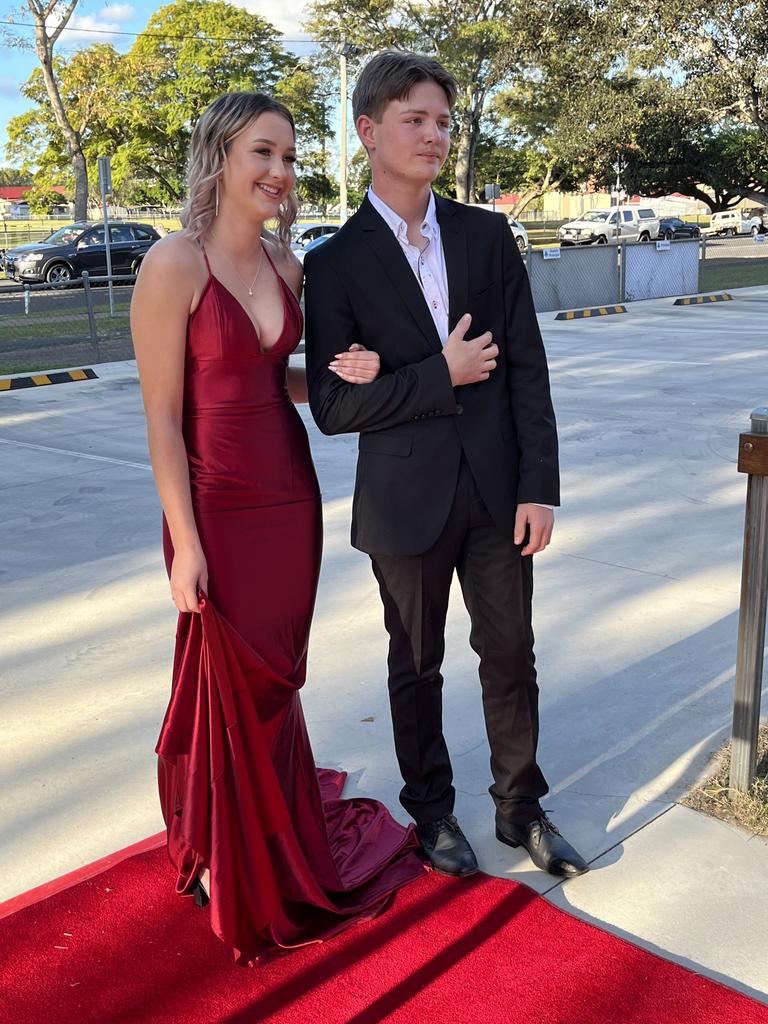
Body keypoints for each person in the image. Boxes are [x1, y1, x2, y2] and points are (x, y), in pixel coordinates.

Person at [130, 91, 425, 966]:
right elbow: (163, 417)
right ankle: (229, 847)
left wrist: (359, 380)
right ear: (220, 155)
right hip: (212, 503)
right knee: (228, 674)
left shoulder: (290, 268)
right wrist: (184, 543)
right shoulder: (172, 265)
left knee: (276, 677)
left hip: (288, 497)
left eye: (289, 157)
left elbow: (281, 384)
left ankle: (270, 827)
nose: (279, 173)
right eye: (263, 152)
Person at [305, 52, 588, 880]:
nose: (433, 135)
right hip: (404, 500)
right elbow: (331, 406)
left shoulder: (486, 234)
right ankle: (431, 812)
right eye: (414, 120)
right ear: (368, 131)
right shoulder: (334, 263)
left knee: (511, 654)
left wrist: (540, 486)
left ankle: (519, 809)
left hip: (500, 492)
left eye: (441, 121)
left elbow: (527, 365)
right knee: (415, 662)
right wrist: (440, 375)